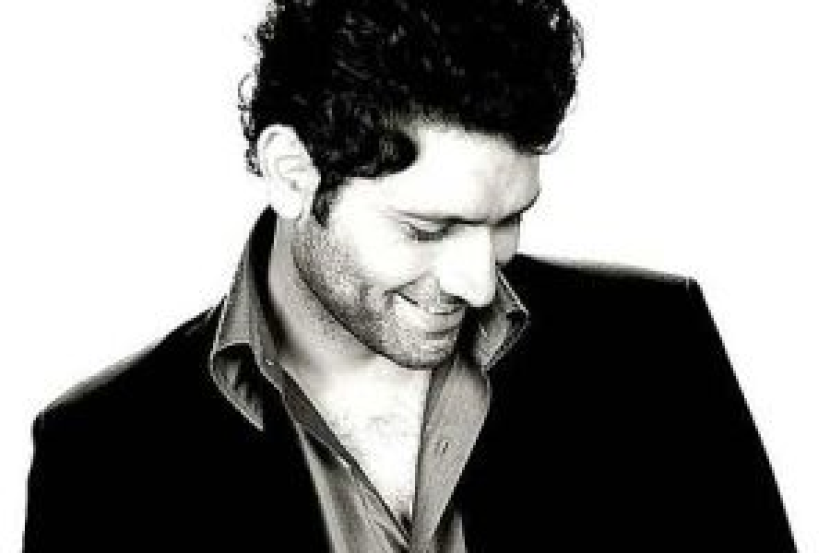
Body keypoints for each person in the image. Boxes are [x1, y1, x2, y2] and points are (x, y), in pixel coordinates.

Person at [23, 0, 797, 551]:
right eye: (428, 228)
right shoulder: (102, 454)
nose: (480, 284)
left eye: (508, 219)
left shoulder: (656, 345)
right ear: (292, 172)